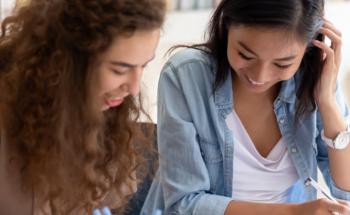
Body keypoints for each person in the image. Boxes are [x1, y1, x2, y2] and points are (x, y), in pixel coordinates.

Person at [141, 0, 350, 214]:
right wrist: (292, 213)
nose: (260, 76)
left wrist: (327, 101)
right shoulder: (185, 76)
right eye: (246, 55)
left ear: (309, 46)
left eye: (282, 64)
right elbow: (183, 204)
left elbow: (346, 192)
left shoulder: (313, 80)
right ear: (226, 26)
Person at [0, 0, 165, 214]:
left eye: (143, 66)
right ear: (67, 58)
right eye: (118, 70)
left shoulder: (107, 114)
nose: (134, 88)